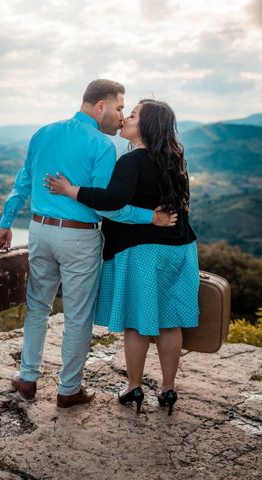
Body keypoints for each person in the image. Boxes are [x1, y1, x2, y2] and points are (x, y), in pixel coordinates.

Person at [0, 80, 176, 409]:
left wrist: (7, 223)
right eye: (120, 107)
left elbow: (23, 180)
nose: (122, 116)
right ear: (101, 107)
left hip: (39, 230)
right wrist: (150, 217)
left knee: (37, 306)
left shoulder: (43, 133)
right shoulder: (102, 146)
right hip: (79, 236)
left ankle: (27, 378)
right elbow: (107, 205)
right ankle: (68, 390)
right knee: (78, 315)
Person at [45, 98, 198, 415]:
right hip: (180, 249)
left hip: (141, 251)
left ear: (147, 126)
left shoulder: (132, 162)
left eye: (134, 114)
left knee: (137, 323)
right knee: (170, 322)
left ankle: (134, 387)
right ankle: (168, 390)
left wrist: (70, 190)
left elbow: (111, 201)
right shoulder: (174, 161)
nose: (126, 118)